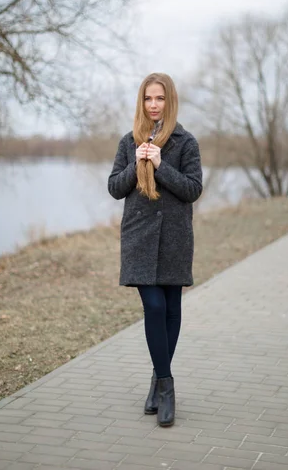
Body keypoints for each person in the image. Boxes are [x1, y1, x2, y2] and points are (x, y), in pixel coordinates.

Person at [107, 73, 203, 427]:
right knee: (155, 305)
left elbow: (193, 189)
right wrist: (137, 164)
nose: (153, 104)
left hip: (175, 237)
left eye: (159, 98)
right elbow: (115, 188)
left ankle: (157, 380)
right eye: (148, 99)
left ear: (170, 101)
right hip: (139, 238)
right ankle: (167, 387)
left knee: (172, 308)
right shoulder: (127, 141)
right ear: (141, 102)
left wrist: (161, 165)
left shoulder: (186, 142)